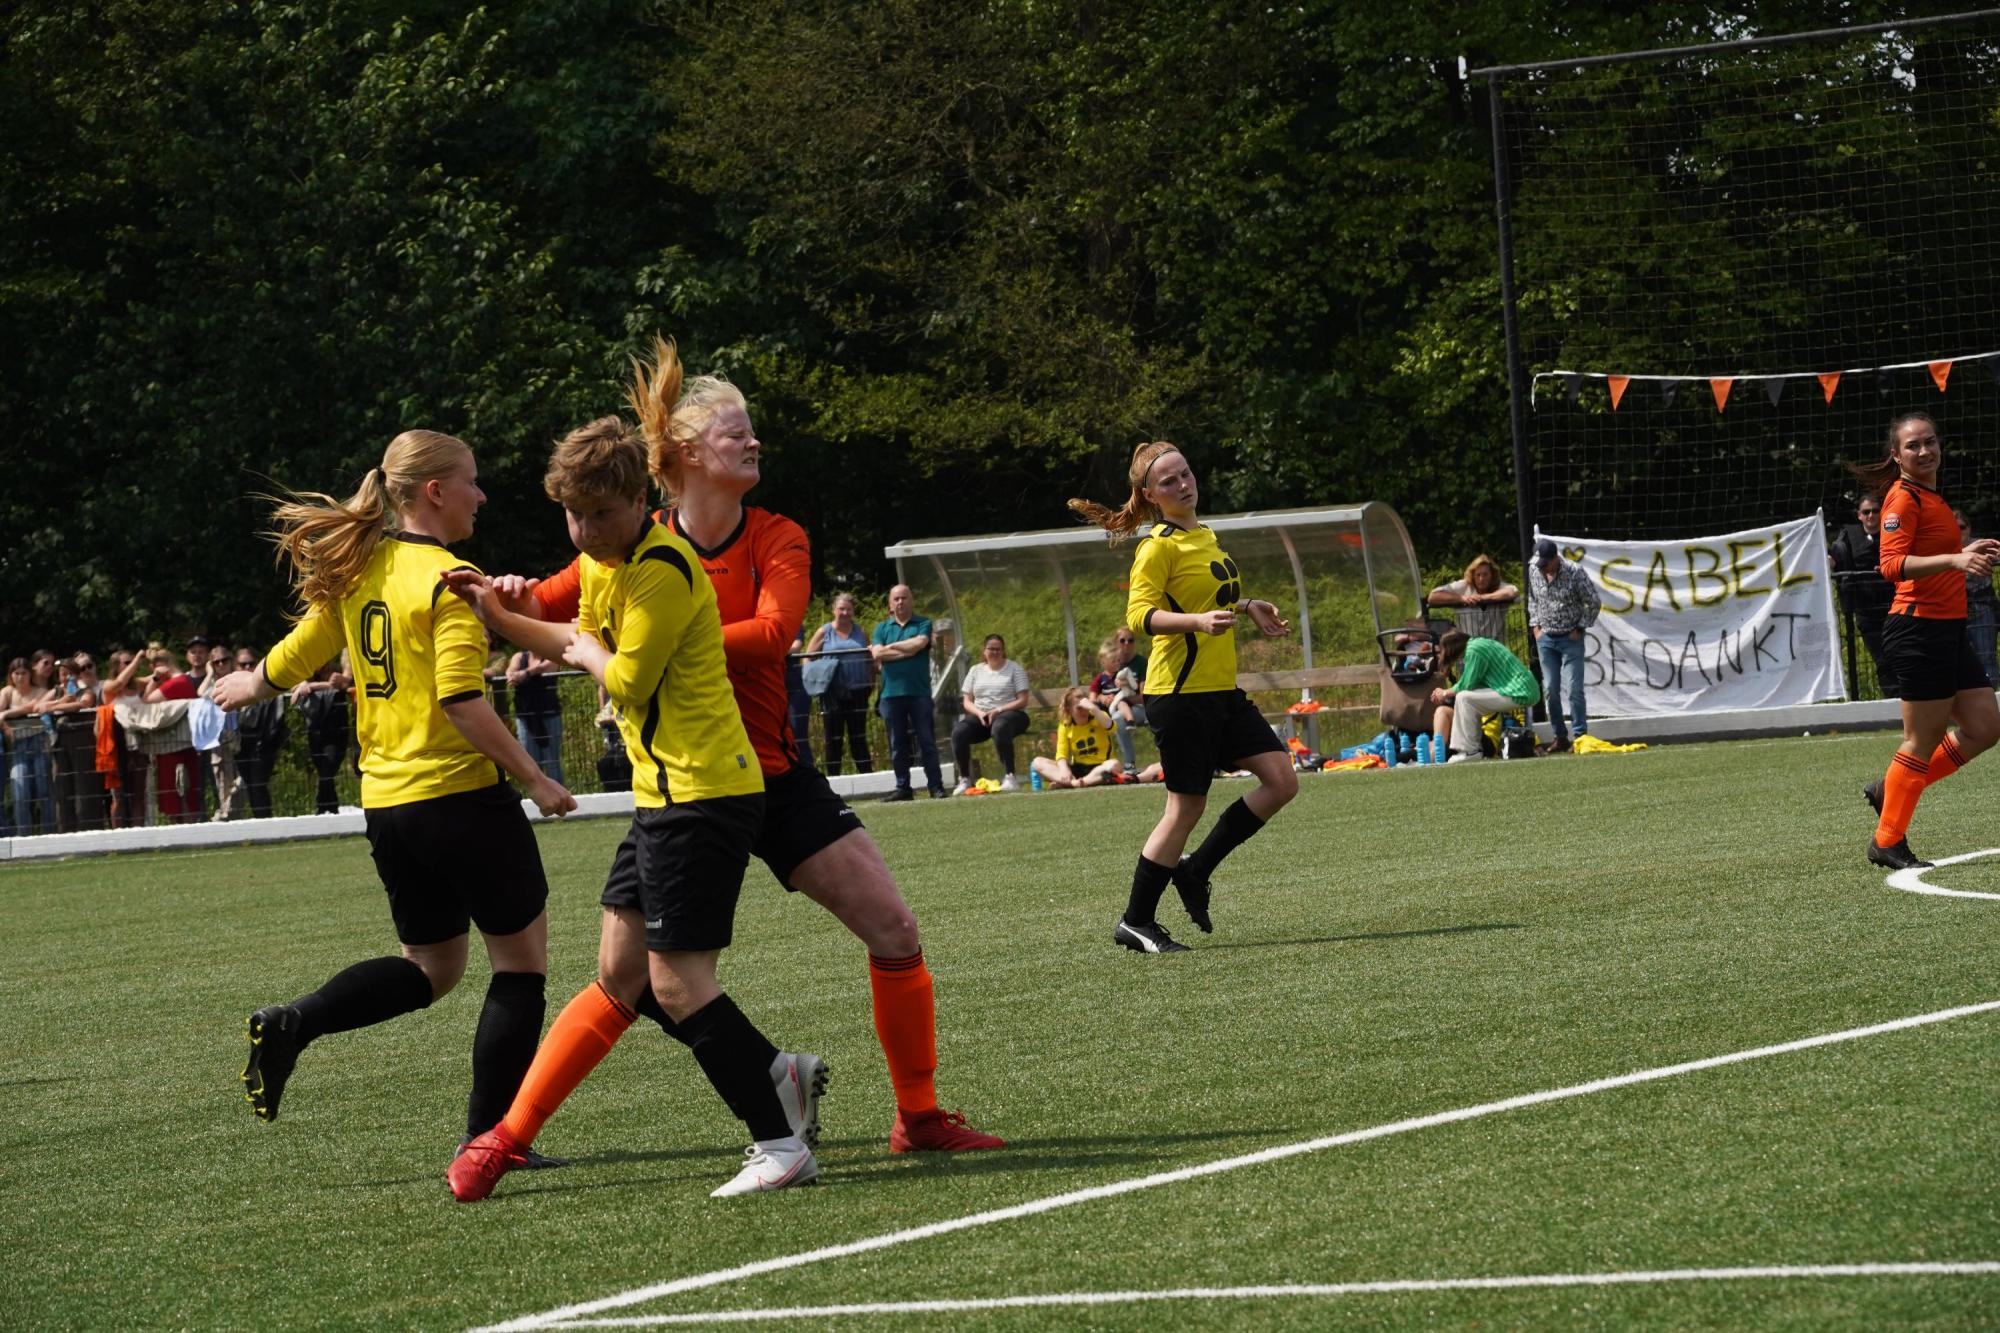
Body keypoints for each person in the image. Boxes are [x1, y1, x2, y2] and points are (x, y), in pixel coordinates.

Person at [450, 340, 1000, 1203]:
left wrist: (651, 642)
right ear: (683, 456)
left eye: (750, 432)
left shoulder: (772, 537)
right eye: (734, 432)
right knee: (623, 976)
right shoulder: (619, 541)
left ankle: (918, 1116)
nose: (752, 442)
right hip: (684, 785)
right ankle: (506, 1137)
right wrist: (506, 596)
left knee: (894, 928)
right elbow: (551, 612)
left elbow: (775, 633)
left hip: (767, 774)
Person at [445, 389, 824, 1202]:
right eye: (573, 516)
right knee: (622, 973)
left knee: (678, 980)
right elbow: (568, 635)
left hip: (706, 794)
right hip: (664, 794)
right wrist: (497, 614)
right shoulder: (606, 561)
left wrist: (586, 648)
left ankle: (778, 1141)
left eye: (602, 514)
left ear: (640, 501)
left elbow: (626, 678)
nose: (586, 531)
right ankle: (774, 1071)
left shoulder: (660, 568)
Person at [210, 429, 576, 1157]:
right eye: (471, 481)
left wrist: (252, 684)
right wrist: (534, 779)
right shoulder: (449, 578)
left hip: (389, 806)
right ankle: (487, 1142)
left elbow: (304, 648)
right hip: (460, 798)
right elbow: (461, 702)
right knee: (520, 966)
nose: (481, 495)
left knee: (433, 968)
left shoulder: (362, 567)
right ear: (434, 491)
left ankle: (297, 1020)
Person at [1069, 440, 1298, 953]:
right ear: (1151, 495)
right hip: (1180, 696)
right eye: (1168, 481)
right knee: (1185, 808)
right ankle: (1135, 921)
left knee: (1282, 781)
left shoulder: (1204, 534)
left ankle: (1195, 870)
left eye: (1186, 473)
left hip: (1221, 692)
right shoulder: (1157, 546)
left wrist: (1248, 605)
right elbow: (1139, 616)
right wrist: (1195, 622)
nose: (1183, 484)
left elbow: (1205, 596)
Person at [1851, 413, 2000, 870]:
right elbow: (1891, 566)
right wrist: (1955, 559)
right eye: (1913, 445)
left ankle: (1889, 788)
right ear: (1896, 455)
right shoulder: (1902, 498)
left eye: (1930, 442)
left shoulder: (1930, 495)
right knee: (1921, 739)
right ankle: (1887, 841)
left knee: (1985, 727)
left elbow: (1934, 555)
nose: (1924, 451)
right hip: (1919, 630)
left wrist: (1965, 554)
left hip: (1948, 629)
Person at [1526, 537, 1601, 754]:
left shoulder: (1575, 572)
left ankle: (1580, 737)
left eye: (1545, 564)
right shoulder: (1533, 570)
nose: (1541, 569)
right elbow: (1532, 599)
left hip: (1570, 639)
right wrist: (1535, 627)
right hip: (1546, 639)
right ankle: (1560, 737)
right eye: (1539, 564)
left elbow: (1593, 602)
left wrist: (1580, 627)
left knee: (1575, 689)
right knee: (1550, 689)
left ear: (1555, 559)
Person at [871, 584, 945, 800]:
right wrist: (907, 650)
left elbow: (920, 644)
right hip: (890, 695)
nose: (900, 602)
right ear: (890, 603)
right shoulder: (881, 628)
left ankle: (936, 786)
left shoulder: (923, 623)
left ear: (911, 600)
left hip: (919, 693)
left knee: (927, 741)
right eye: (896, 599)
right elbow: (877, 654)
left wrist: (889, 649)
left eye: (904, 598)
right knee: (897, 744)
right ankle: (903, 787)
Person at [1431, 636, 1541, 762]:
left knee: (1463, 697)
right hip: (1523, 689)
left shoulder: (1474, 650)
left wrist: (1444, 693)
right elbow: (1474, 684)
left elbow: (1466, 684)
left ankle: (1470, 751)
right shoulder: (1479, 644)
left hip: (1519, 692)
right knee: (1465, 698)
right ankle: (1470, 750)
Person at [1831, 495, 1899, 698]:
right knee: (1882, 659)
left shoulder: (1894, 534)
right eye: (1866, 512)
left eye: (1875, 511)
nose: (1871, 515)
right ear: (1859, 515)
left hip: (1897, 607)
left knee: (1901, 654)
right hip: (1866, 612)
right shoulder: (1848, 537)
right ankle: (1894, 700)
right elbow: (1835, 559)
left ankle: (1911, 699)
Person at [950, 634, 1031, 793]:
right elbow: (967, 701)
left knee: (1000, 726)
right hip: (982, 716)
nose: (994, 652)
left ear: (1003, 651)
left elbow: (1023, 700)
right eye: (991, 649)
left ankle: (1010, 777)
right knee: (959, 732)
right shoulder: (975, 670)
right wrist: (980, 713)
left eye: (998, 649)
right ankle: (965, 779)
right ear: (984, 651)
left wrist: (998, 710)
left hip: (1012, 715)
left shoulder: (1014, 668)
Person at [804, 592, 874, 774]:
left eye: (848, 609)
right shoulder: (824, 631)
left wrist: (871, 682)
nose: (845, 613)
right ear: (834, 610)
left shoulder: (861, 632)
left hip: (858, 691)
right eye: (841, 609)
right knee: (833, 739)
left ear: (853, 611)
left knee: (859, 737)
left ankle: (867, 776)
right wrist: (815, 680)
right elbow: (807, 658)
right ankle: (833, 779)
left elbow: (869, 659)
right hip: (832, 694)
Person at [46, 651, 108, 831]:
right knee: (63, 788)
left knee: (86, 787)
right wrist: (57, 703)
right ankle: (66, 831)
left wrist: (55, 706)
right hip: (61, 742)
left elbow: (83, 704)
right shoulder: (56, 691)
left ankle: (90, 830)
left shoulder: (85, 690)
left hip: (83, 741)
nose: (66, 678)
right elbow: (37, 705)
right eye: (63, 674)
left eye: (70, 673)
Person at [1, 656, 57, 836]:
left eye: (23, 673)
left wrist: (7, 714)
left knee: (44, 791)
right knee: (20, 792)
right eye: (16, 673)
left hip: (39, 742)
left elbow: (33, 707)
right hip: (18, 747)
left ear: (30, 674)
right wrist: (5, 725)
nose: (20, 677)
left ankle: (49, 835)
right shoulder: (7, 692)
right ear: (11, 675)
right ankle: (24, 837)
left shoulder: (40, 690)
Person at [232, 646, 288, 820]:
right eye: (243, 664)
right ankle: (259, 821)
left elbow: (286, 684)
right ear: (235, 666)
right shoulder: (230, 687)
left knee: (258, 784)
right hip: (240, 745)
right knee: (249, 785)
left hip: (263, 744)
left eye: (251, 663)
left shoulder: (265, 685)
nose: (247, 667)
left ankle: (265, 822)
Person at [1030, 688, 1124, 789]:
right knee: (1037, 762)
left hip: (1101, 767)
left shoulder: (1098, 716)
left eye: (1085, 707)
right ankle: (1075, 782)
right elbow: (1061, 754)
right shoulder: (1065, 725)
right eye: (1079, 708)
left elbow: (1111, 727)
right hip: (1078, 770)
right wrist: (1064, 770)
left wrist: (1094, 708)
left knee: (1114, 764)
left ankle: (1077, 783)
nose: (1084, 711)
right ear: (1069, 709)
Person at [294, 663, 352, 814]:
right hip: (315, 733)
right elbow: (293, 694)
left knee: (328, 769)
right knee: (324, 773)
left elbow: (342, 685)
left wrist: (312, 686)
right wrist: (304, 684)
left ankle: (321, 806)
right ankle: (332, 808)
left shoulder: (337, 671)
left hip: (337, 733)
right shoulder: (305, 674)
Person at [506, 647, 565, 783]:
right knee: (531, 762)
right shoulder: (519, 656)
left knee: (552, 761)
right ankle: (538, 792)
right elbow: (510, 670)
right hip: (525, 716)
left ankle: (558, 793)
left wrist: (525, 673)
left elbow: (543, 668)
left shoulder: (552, 656)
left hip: (549, 714)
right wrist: (512, 675)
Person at [1429, 554, 1519, 643]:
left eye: (1485, 575)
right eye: (1478, 575)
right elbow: (1433, 596)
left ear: (1492, 575)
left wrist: (1483, 598)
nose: (1481, 579)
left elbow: (1512, 592)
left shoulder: (1498, 586)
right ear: (1472, 575)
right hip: (1467, 645)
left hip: (1494, 644)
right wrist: (1462, 598)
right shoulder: (1463, 586)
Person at [1957, 509, 1999, 685]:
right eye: (1954, 528)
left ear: (1969, 528)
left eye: (1962, 527)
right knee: (1959, 660)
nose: (1959, 531)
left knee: (1986, 656)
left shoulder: (1980, 546)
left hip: (1981, 610)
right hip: (1954, 612)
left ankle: (1992, 692)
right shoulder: (1942, 551)